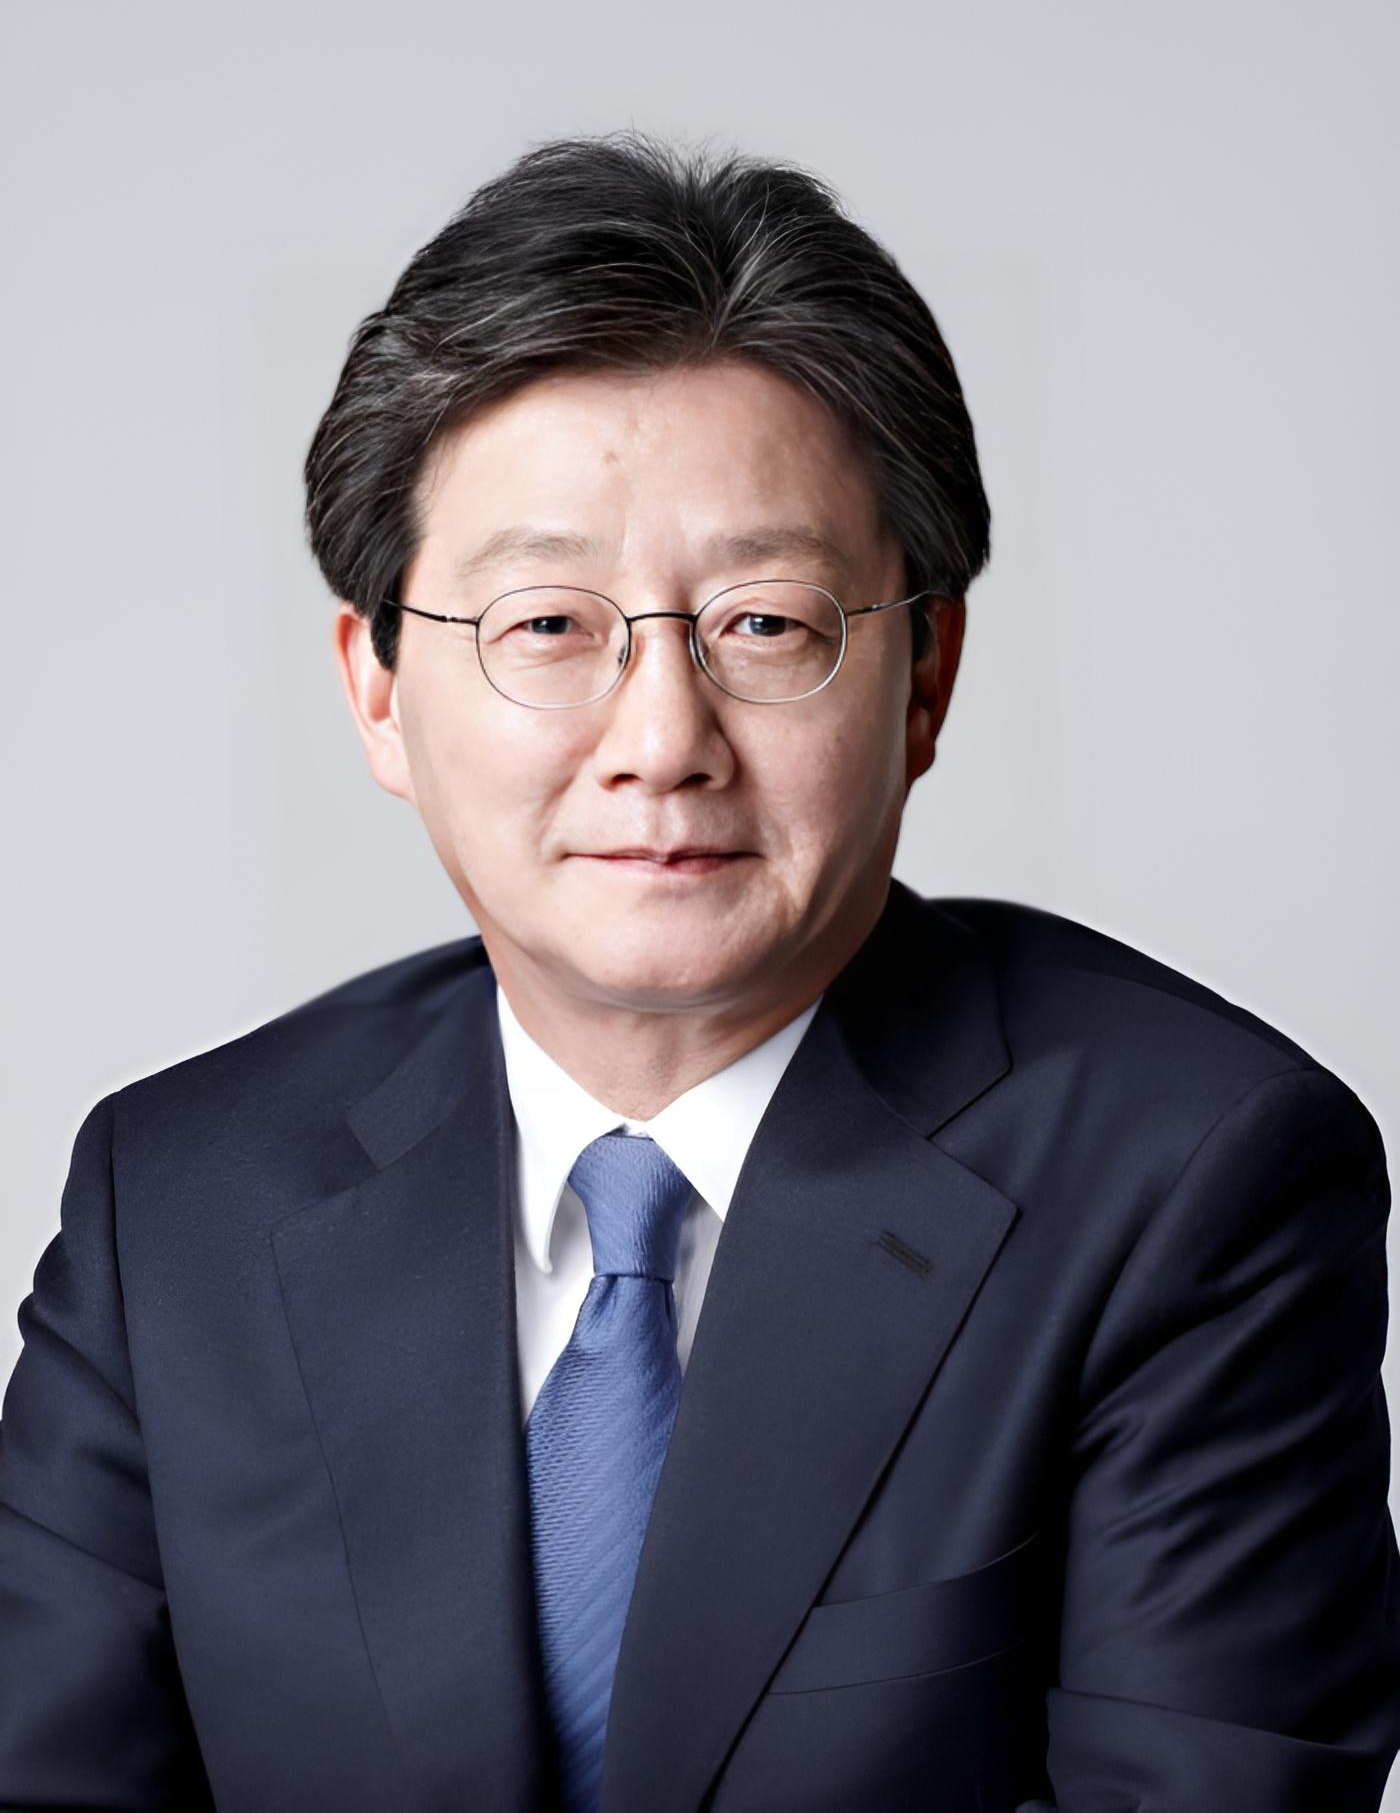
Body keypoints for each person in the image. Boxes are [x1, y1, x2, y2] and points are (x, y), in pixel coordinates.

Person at [1, 131, 1396, 1813]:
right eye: (547, 624)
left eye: (766, 623)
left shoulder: (1195, 1179)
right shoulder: (180, 1202)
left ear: (926, 673)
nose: (663, 740)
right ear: (377, 689)